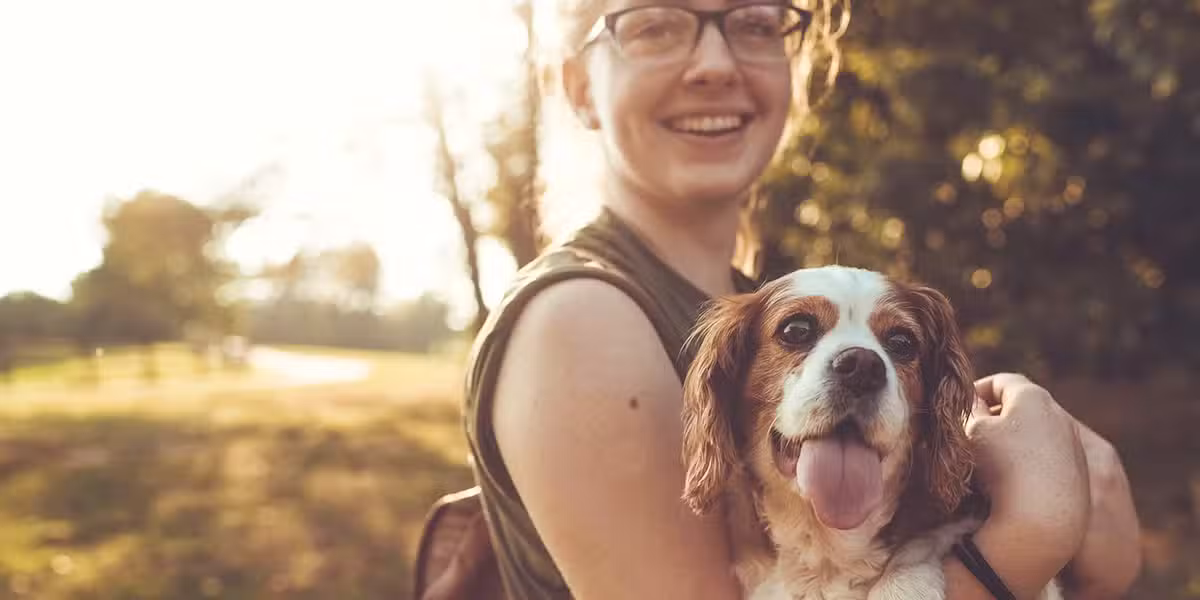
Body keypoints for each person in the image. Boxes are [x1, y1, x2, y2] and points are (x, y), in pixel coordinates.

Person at [461, 1, 1143, 598]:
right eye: (656, 24)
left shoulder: (754, 299)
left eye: (755, 23)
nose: (715, 64)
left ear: (796, 67)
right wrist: (1033, 534)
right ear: (580, 86)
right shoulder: (578, 318)